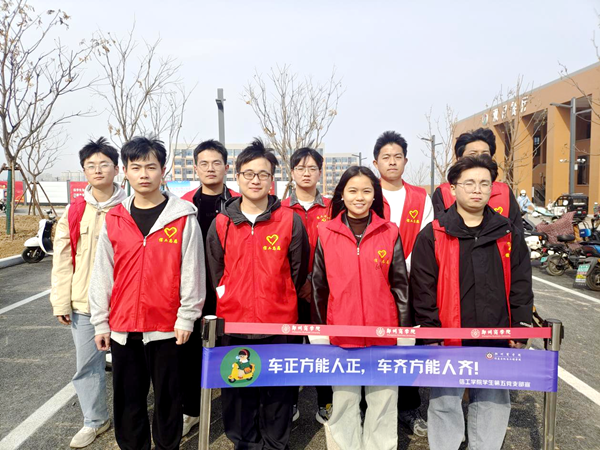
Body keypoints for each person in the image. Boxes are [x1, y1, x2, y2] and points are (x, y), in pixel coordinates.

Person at [410, 156, 533, 450]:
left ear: (492, 189)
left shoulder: (508, 233)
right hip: (448, 336)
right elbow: (423, 288)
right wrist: (430, 331)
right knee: (444, 400)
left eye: (484, 183)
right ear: (453, 188)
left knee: (493, 400)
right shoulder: (434, 234)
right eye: (469, 183)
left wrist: (520, 327)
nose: (477, 189)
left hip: (496, 333)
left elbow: (521, 284)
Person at [90, 136, 204, 450]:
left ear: (163, 171)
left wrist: (187, 317)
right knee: (128, 398)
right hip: (123, 326)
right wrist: (101, 322)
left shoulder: (183, 217)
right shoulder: (115, 218)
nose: (144, 174)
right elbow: (102, 274)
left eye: (151, 167)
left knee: (169, 398)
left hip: (168, 326)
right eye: (136, 167)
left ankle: (168, 446)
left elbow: (192, 272)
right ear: (125, 171)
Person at [205, 138, 309, 450]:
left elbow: (298, 270)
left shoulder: (290, 220)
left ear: (272, 179)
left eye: (263, 174)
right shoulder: (222, 223)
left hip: (278, 324)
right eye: (249, 174)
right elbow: (216, 271)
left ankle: (276, 443)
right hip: (234, 324)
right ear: (237, 177)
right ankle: (246, 443)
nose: (255, 180)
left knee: (277, 393)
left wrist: (279, 296)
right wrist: (231, 296)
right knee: (239, 393)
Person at [312, 166, 410, 450]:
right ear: (342, 195)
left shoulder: (389, 231)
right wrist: (319, 331)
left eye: (366, 191)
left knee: (383, 401)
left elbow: (401, 284)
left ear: (374, 195)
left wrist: (404, 331)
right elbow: (319, 285)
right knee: (344, 400)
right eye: (352, 190)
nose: (359, 197)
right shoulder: (326, 232)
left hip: (384, 334)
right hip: (341, 334)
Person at [50, 138, 126, 448]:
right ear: (84, 171)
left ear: (116, 169)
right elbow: (62, 259)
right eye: (90, 166)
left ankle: (131, 420)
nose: (97, 170)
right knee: (87, 366)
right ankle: (95, 420)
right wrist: (60, 301)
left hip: (124, 302)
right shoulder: (75, 210)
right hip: (84, 304)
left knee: (132, 366)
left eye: (104, 164)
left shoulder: (131, 206)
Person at [372, 130, 433, 437]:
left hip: (409, 284)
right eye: (386, 157)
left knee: (408, 347)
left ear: (406, 161)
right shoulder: (367, 193)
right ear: (376, 163)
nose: (392, 162)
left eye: (398, 156)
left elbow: (426, 242)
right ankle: (369, 406)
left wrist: (403, 272)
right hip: (372, 283)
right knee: (372, 346)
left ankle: (408, 407)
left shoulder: (421, 198)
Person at [179, 139, 240, 436]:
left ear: (226, 167)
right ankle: (191, 410)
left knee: (229, 353)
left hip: (229, 291)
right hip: (192, 291)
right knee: (190, 353)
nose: (210, 168)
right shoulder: (183, 204)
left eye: (216, 163)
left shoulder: (239, 202)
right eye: (203, 163)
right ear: (195, 168)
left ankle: (235, 416)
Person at [281, 147, 333, 424]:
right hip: (289, 290)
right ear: (292, 172)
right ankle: (289, 402)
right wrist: (299, 282)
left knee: (322, 348)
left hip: (323, 292)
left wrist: (314, 281)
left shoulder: (332, 208)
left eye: (312, 168)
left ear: (320, 172)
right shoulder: (280, 208)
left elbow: (336, 249)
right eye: (300, 168)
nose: (306, 173)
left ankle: (326, 401)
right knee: (291, 348)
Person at [431, 127, 523, 232]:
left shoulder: (504, 192)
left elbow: (516, 231)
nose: (479, 159)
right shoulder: (444, 192)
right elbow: (438, 231)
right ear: (459, 159)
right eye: (472, 154)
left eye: (485, 155)